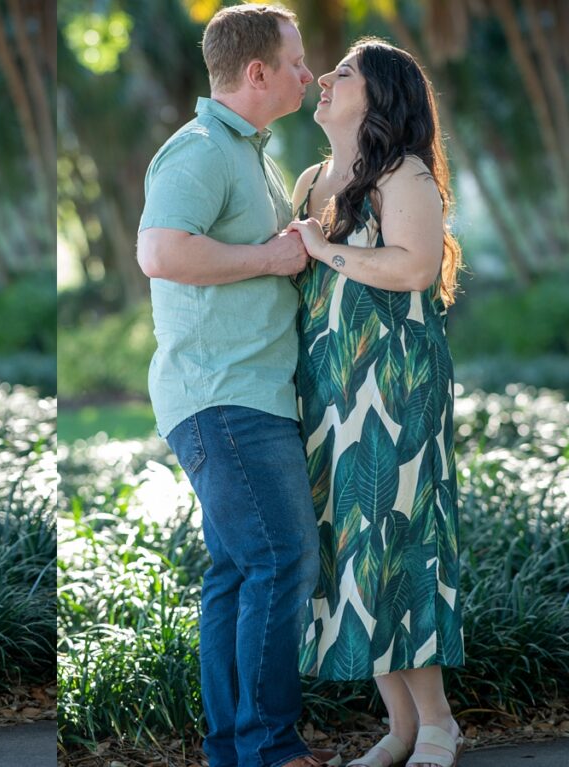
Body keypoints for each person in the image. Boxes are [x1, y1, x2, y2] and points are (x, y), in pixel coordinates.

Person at [137, 5, 340, 767]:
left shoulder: (249, 153)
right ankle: (268, 746)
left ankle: (234, 746)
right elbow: (159, 250)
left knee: (239, 570)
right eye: (294, 62)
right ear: (255, 73)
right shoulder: (199, 152)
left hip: (241, 394)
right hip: (223, 397)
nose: (307, 74)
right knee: (282, 560)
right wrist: (271, 260)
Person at [288, 39, 465, 767]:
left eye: (345, 73)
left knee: (398, 544)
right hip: (327, 394)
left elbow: (415, 266)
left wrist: (320, 247)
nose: (324, 80)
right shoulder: (308, 181)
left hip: (394, 389)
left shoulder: (403, 173)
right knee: (355, 555)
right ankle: (398, 726)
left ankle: (438, 725)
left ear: (383, 94)